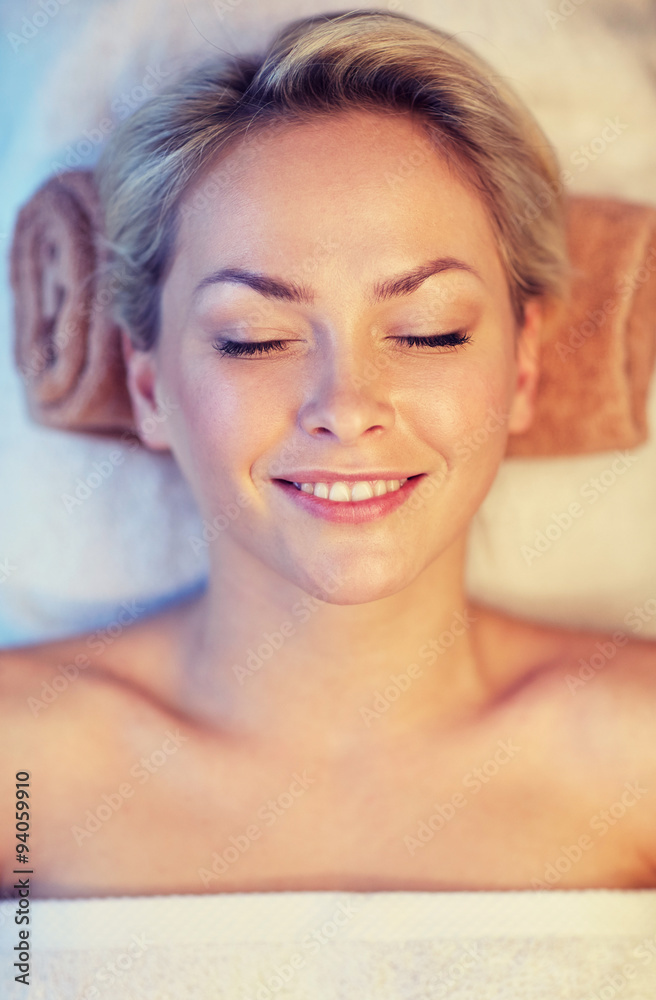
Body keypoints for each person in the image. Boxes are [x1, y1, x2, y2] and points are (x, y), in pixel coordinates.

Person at [1, 8, 655, 898]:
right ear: (148, 387)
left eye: (428, 332)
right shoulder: (21, 768)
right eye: (255, 338)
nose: (345, 408)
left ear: (526, 366)